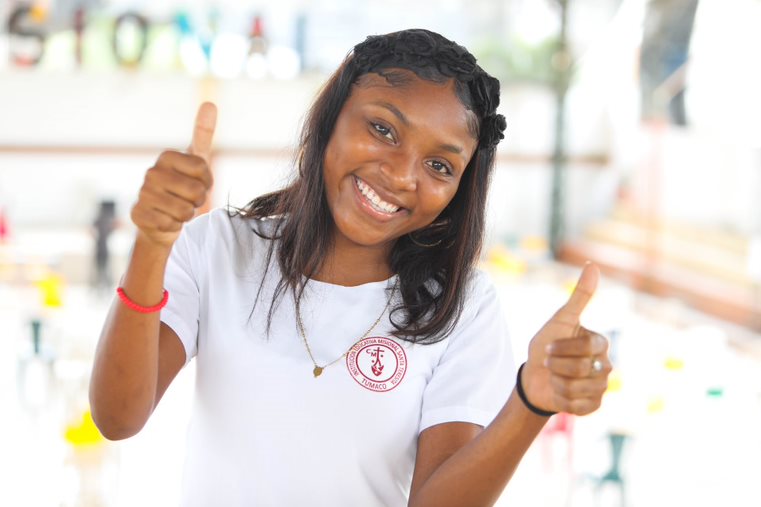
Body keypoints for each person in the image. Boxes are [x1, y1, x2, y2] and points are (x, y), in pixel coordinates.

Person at [89, 29, 611, 506]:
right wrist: (153, 246)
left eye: (439, 166)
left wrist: (528, 403)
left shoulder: (461, 305)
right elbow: (117, 418)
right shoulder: (220, 248)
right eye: (383, 129)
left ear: (459, 190)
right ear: (332, 115)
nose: (402, 175)